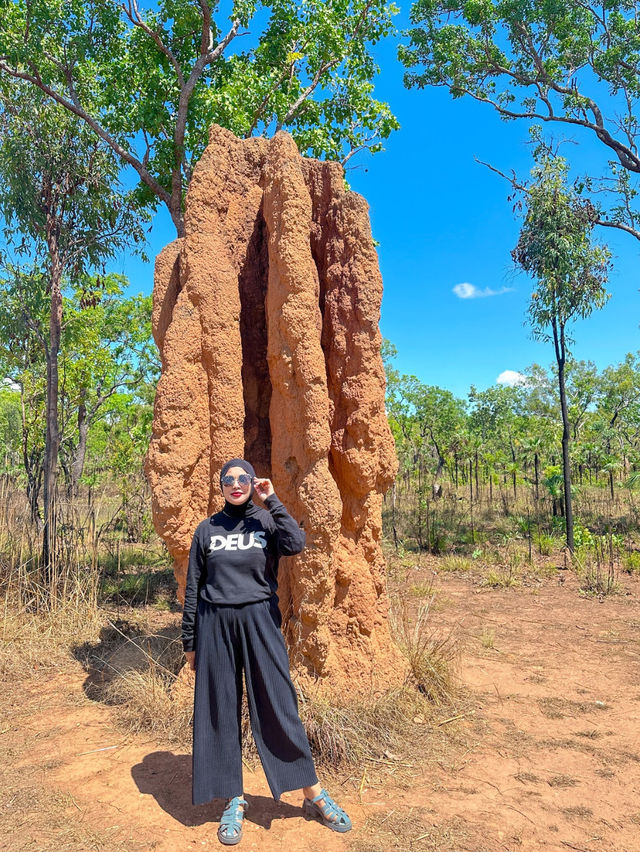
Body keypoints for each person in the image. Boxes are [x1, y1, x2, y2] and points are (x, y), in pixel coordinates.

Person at [182, 457, 352, 846]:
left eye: (244, 478)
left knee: (279, 705)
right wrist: (190, 641)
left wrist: (272, 499)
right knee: (220, 711)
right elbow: (193, 588)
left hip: (260, 620)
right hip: (215, 626)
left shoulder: (264, 521)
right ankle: (234, 800)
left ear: (253, 482)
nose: (237, 484)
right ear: (220, 485)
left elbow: (296, 542)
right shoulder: (206, 530)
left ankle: (313, 793)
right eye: (230, 479)